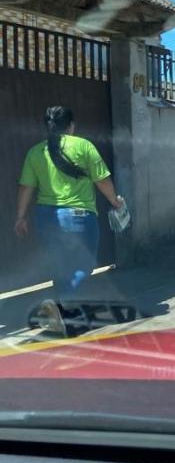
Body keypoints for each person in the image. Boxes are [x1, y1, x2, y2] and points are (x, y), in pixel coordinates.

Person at [15, 106, 124, 333]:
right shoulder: (83, 146)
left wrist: (20, 217)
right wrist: (115, 201)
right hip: (78, 217)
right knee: (84, 265)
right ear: (71, 125)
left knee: (60, 265)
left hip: (45, 216)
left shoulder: (36, 152)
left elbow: (26, 187)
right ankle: (63, 306)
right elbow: (102, 180)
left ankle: (62, 312)